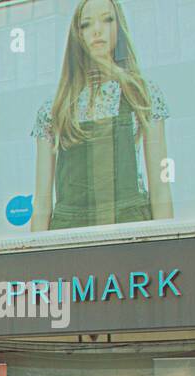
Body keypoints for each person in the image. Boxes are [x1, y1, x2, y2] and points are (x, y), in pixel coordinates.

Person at [31, 0, 172, 232]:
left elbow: (160, 189)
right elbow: (42, 202)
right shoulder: (54, 109)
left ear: (119, 27)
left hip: (130, 227)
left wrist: (168, 251)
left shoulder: (142, 96)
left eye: (107, 20)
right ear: (77, 34)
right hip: (69, 234)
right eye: (86, 24)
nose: (97, 30)